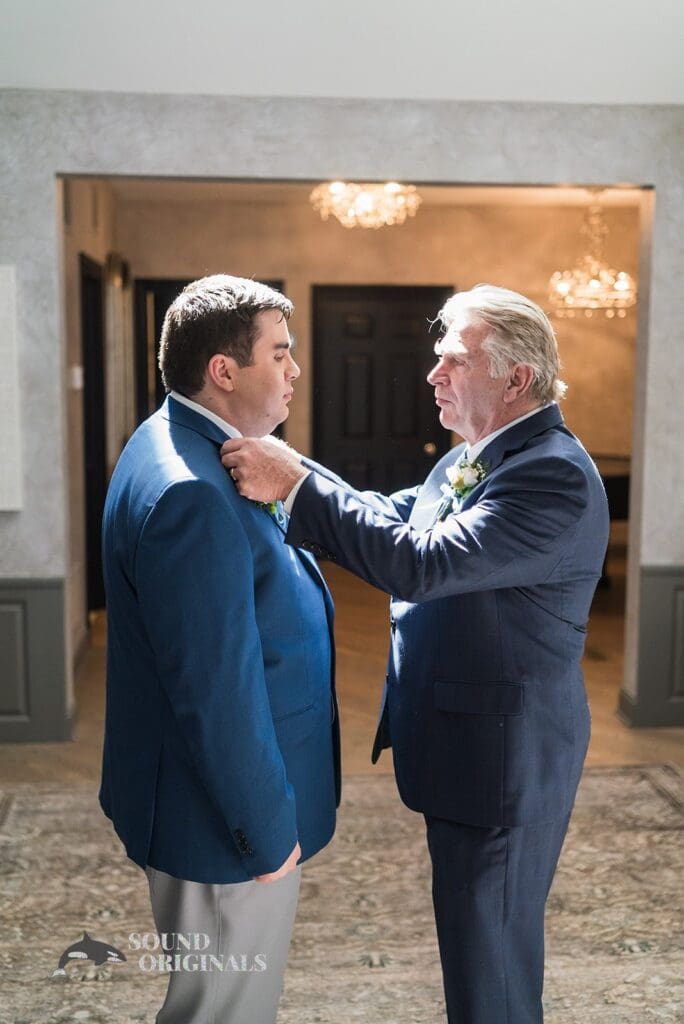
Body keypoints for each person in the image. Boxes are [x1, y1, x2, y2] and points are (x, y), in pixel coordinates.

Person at [221, 283, 609, 1024]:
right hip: (468, 748)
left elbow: (419, 563)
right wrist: (289, 472)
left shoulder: (550, 474)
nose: (433, 375)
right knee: (481, 948)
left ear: (515, 378)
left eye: (453, 362)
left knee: (489, 964)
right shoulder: (476, 455)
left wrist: (293, 481)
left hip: (503, 760)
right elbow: (393, 514)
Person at [100, 275, 340, 1024]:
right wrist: (266, 835)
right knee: (224, 1011)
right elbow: (216, 695)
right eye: (281, 352)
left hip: (210, 806)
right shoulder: (191, 493)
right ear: (224, 371)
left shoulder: (184, 438)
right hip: (222, 826)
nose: (296, 369)